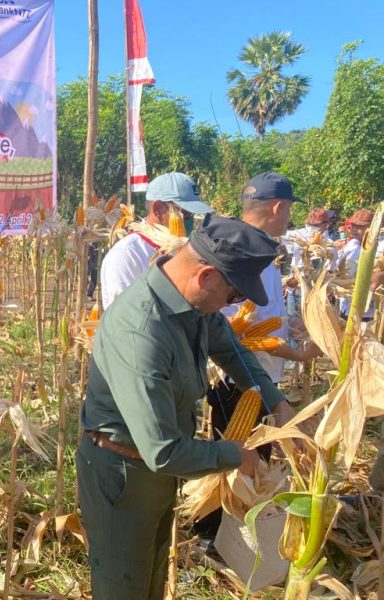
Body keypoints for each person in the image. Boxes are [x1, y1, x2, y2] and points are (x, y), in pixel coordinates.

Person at [77, 214, 295, 599]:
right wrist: (235, 456)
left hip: (158, 469)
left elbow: (232, 351)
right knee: (123, 586)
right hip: (124, 475)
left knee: (152, 577)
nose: (233, 305)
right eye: (234, 296)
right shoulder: (142, 332)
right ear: (207, 276)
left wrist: (274, 400)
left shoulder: (193, 306)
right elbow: (163, 450)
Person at [212, 173, 323, 428]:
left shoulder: (262, 250)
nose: (289, 216)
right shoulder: (240, 252)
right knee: (242, 461)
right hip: (239, 380)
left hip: (260, 378)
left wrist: (290, 320)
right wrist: (299, 354)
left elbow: (263, 312)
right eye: (289, 208)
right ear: (278, 207)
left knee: (258, 462)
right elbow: (239, 330)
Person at [100, 172, 212, 309]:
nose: (190, 221)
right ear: (158, 209)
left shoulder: (188, 251)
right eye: (185, 213)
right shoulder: (127, 253)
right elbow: (123, 315)